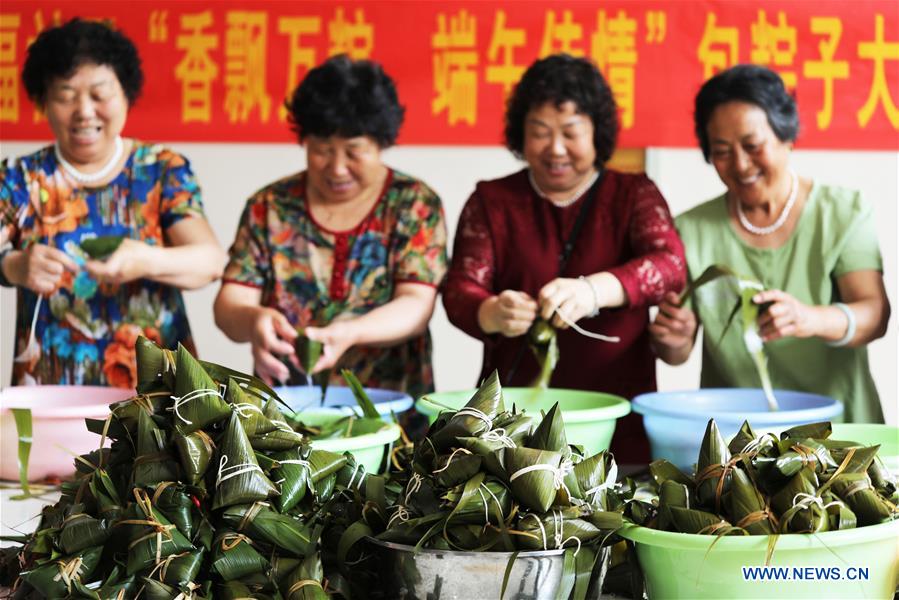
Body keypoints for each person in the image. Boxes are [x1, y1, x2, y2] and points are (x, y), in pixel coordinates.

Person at [442, 54, 686, 462]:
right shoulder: (492, 201)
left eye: (571, 133)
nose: (555, 149)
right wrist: (492, 311)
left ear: (597, 134)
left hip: (615, 416)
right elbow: (459, 289)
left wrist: (594, 292)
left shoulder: (633, 194)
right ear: (521, 134)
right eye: (540, 132)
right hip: (513, 426)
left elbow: (670, 264)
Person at [650, 64, 890, 423]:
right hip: (736, 437)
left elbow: (875, 315)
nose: (741, 164)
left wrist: (808, 318)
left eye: (753, 145)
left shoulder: (843, 212)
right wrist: (673, 338)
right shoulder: (690, 229)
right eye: (722, 151)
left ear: (786, 135)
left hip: (839, 432)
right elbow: (676, 353)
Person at [0, 19, 224, 388]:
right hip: (52, 387)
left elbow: (210, 262)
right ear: (43, 102)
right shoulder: (20, 178)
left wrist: (145, 259)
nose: (84, 111)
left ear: (125, 95)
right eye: (66, 95)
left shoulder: (161, 169)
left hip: (157, 390)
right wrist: (11, 266)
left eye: (100, 94)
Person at [214, 55, 448, 401]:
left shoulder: (412, 203)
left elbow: (416, 303)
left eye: (354, 152)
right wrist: (253, 321)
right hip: (287, 404)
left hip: (391, 405)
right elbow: (230, 303)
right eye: (322, 150)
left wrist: (351, 332)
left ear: (381, 144)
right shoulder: (270, 206)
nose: (337, 168)